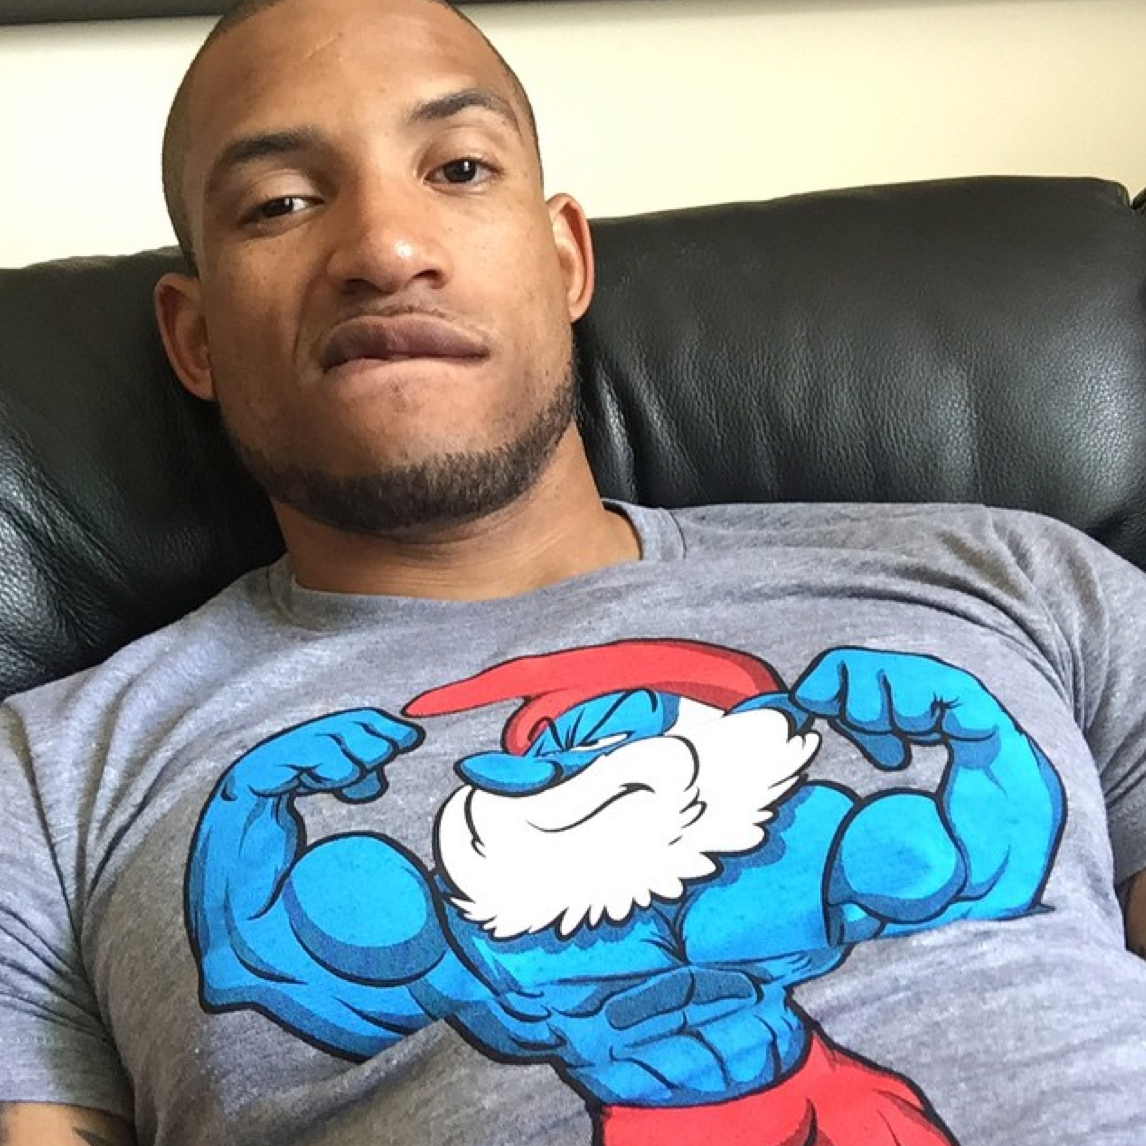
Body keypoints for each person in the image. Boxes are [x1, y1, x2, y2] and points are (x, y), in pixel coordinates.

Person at [1, 0, 1144, 1143]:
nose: (387, 250)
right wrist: (253, 803)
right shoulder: (53, 785)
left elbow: (977, 862)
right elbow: (280, 963)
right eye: (282, 203)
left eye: (458, 168)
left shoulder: (1013, 580)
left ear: (563, 262)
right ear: (196, 337)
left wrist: (972, 741)